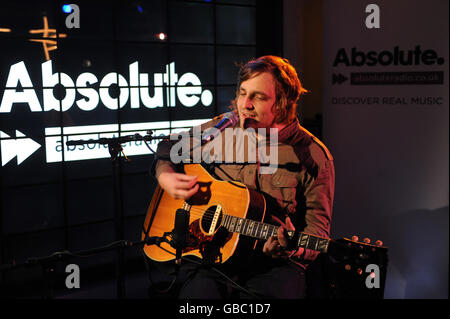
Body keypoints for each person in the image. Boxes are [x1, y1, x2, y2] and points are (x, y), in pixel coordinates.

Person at [150, 55, 335, 299]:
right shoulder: (221, 130)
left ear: (284, 102)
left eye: (258, 97)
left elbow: (317, 233)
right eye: (242, 93)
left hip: (274, 267)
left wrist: (290, 248)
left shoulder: (313, 155)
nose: (245, 104)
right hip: (215, 254)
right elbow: (167, 150)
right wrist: (166, 177)